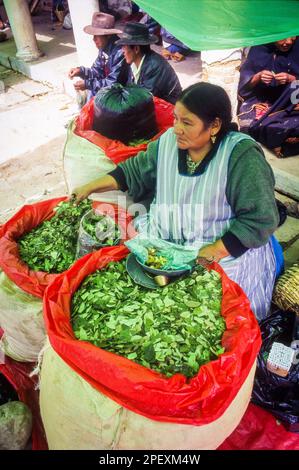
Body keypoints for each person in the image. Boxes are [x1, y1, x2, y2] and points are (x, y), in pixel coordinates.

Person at [73, 82, 280, 321]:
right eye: (175, 119)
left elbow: (260, 219)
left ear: (214, 125)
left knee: (212, 314)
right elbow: (132, 172)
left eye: (187, 123)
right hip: (168, 243)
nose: (177, 129)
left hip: (223, 251)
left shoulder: (240, 157)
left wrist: (210, 253)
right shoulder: (168, 143)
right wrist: (88, 187)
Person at [238, 37, 299, 158]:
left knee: (295, 87)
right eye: (283, 38)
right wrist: (258, 76)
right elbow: (244, 89)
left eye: (293, 36)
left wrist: (292, 79)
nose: (289, 42)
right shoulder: (259, 48)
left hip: (290, 100)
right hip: (262, 99)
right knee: (250, 124)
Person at [115, 22, 182, 104]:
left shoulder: (155, 66)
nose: (122, 51)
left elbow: (146, 99)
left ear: (136, 49)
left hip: (169, 105)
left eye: (124, 47)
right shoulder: (132, 63)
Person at [68, 12, 129, 97]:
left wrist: (88, 84)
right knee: (91, 91)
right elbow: (96, 72)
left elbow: (113, 83)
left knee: (92, 91)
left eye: (97, 36)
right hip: (109, 90)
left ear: (108, 36)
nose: (94, 39)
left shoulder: (120, 52)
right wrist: (80, 71)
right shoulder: (104, 49)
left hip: (121, 93)